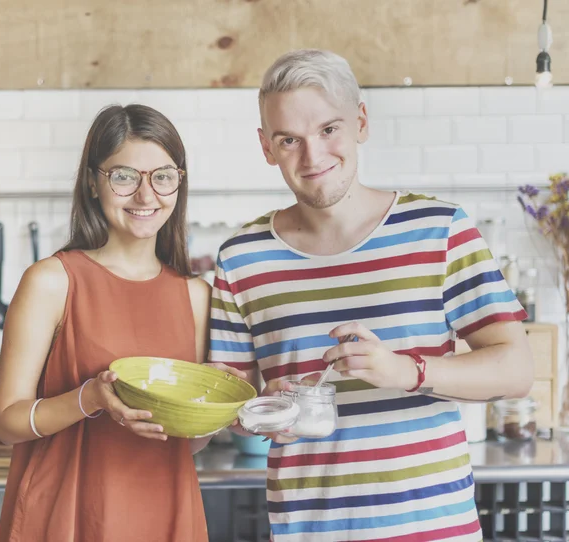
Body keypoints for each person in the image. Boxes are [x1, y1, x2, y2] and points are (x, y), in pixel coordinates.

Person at [208, 49, 534, 541]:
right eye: (289, 139)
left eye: (328, 129)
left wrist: (408, 370)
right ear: (266, 147)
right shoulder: (241, 257)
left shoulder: (441, 230)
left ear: (360, 121)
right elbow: (228, 402)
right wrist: (257, 411)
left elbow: (517, 370)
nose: (312, 156)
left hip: (435, 530)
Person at [0, 104, 242, 542]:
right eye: (125, 176)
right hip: (68, 514)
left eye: (163, 176)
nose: (147, 196)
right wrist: (91, 397)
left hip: (166, 509)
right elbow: (8, 423)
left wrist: (214, 412)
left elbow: (187, 442)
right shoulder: (52, 281)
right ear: (94, 181)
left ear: (179, 183)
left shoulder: (197, 295)